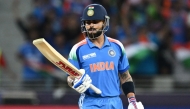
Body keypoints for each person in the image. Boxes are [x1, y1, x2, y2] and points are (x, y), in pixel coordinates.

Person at [67, 4, 144, 109]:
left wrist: (132, 100)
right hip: (90, 102)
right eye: (88, 23)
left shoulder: (117, 46)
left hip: (115, 102)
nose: (91, 26)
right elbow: (70, 77)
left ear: (104, 22)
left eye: (95, 22)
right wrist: (74, 82)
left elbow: (125, 76)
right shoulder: (77, 49)